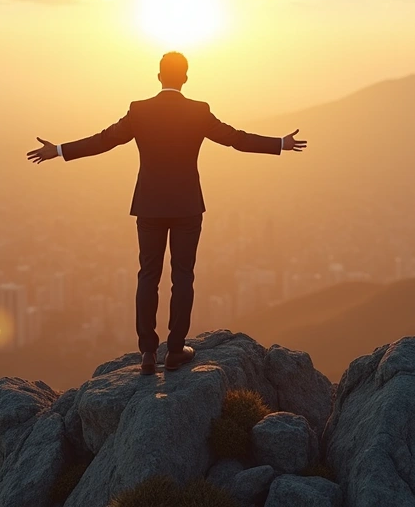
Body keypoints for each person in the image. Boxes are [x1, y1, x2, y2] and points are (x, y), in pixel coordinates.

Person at [27, 52, 307, 375]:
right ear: (186, 78)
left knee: (148, 276)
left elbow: (104, 141)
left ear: (158, 76)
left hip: (149, 206)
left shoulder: (139, 111)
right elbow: (236, 140)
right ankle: (175, 350)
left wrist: (59, 150)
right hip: (187, 206)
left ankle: (148, 353)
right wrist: (279, 143)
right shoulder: (198, 112)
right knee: (182, 276)